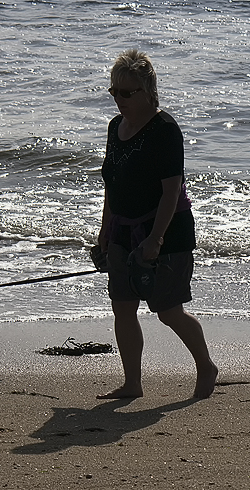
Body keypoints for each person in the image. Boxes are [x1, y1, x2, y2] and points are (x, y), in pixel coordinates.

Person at [96, 49, 218, 399]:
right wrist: (105, 229)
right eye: (114, 91)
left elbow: (170, 192)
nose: (119, 99)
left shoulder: (165, 130)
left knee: (167, 310)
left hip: (167, 229)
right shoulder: (115, 127)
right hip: (122, 227)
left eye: (127, 92)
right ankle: (132, 383)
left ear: (149, 92)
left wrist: (154, 239)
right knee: (122, 305)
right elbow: (113, 184)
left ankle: (206, 366)